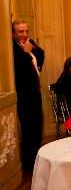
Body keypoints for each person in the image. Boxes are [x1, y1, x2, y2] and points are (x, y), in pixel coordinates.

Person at [12, 20, 45, 171]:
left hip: (35, 91)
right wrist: (25, 52)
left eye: (26, 30)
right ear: (13, 33)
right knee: (28, 128)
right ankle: (29, 163)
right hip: (23, 93)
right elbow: (20, 68)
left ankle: (37, 159)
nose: (24, 34)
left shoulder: (30, 43)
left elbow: (41, 54)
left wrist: (31, 51)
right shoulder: (12, 49)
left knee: (38, 125)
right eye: (20, 31)